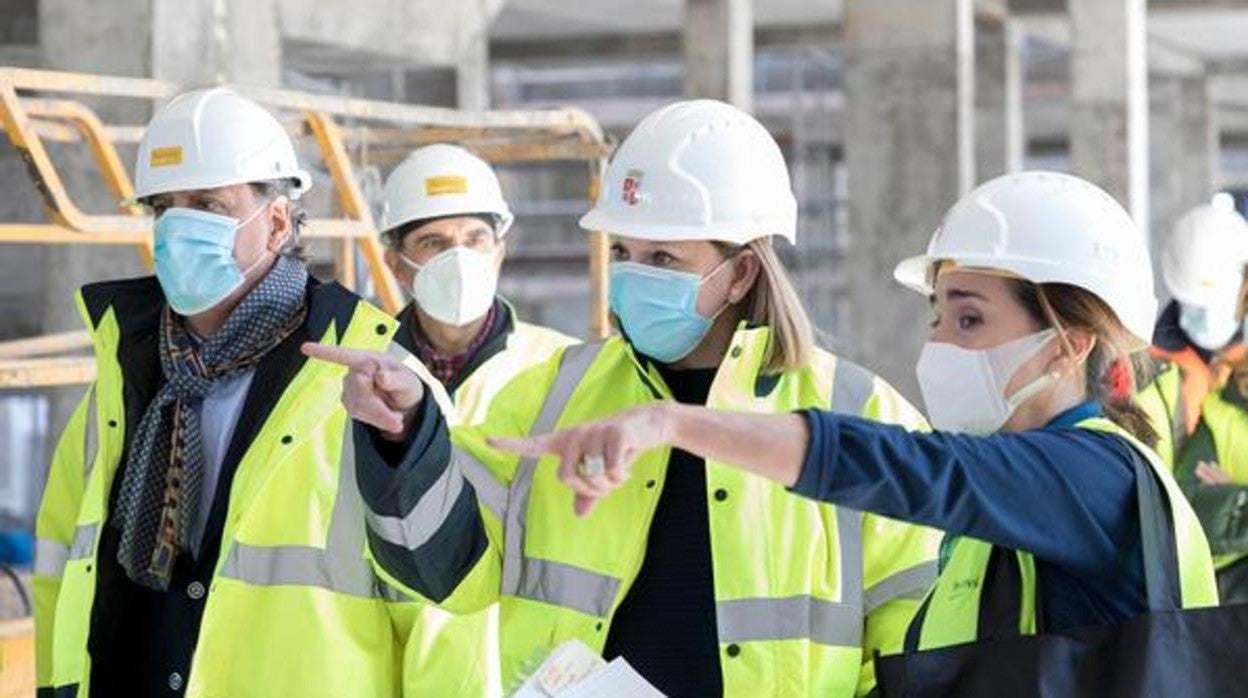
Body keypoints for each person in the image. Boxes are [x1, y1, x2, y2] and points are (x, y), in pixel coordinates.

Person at [306, 100, 941, 696]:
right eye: (623, 252)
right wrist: (407, 435)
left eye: (662, 255)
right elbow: (446, 572)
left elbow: (915, 639)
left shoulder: (859, 414)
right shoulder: (554, 394)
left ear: (741, 272)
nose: (633, 274)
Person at [491, 171, 1220, 668]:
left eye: (969, 318)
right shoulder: (1014, 508)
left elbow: (906, 467)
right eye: (938, 316)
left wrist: (674, 424)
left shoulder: (1091, 477)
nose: (938, 345)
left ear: (1069, 345)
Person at [33, 88, 409, 696]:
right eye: (164, 207)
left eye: (208, 203)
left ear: (278, 222)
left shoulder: (368, 381)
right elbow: (62, 569)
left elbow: (440, 611)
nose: (179, 226)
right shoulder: (124, 376)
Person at [378, 144, 575, 696]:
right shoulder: (362, 378)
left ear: (499, 252)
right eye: (434, 243)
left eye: (474, 239)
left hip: (528, 678)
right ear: (396, 262)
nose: (458, 256)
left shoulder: (564, 371)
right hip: (407, 678)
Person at [1137, 205, 1248, 602]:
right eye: (1190, 304)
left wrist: (1234, 500)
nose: (1199, 317)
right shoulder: (1147, 368)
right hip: (1178, 580)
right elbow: (1189, 502)